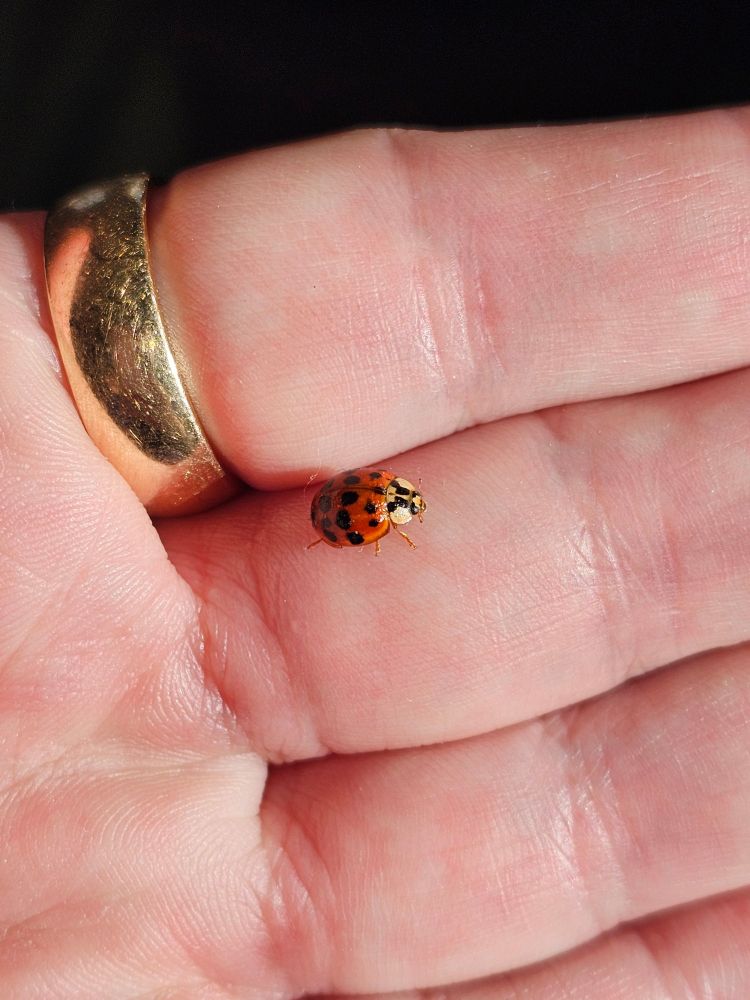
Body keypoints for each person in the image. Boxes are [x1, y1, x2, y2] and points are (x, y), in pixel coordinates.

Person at [1, 108, 749, 997]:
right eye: (397, 504)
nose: (396, 504)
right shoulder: (370, 511)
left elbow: (356, 508)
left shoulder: (370, 507)